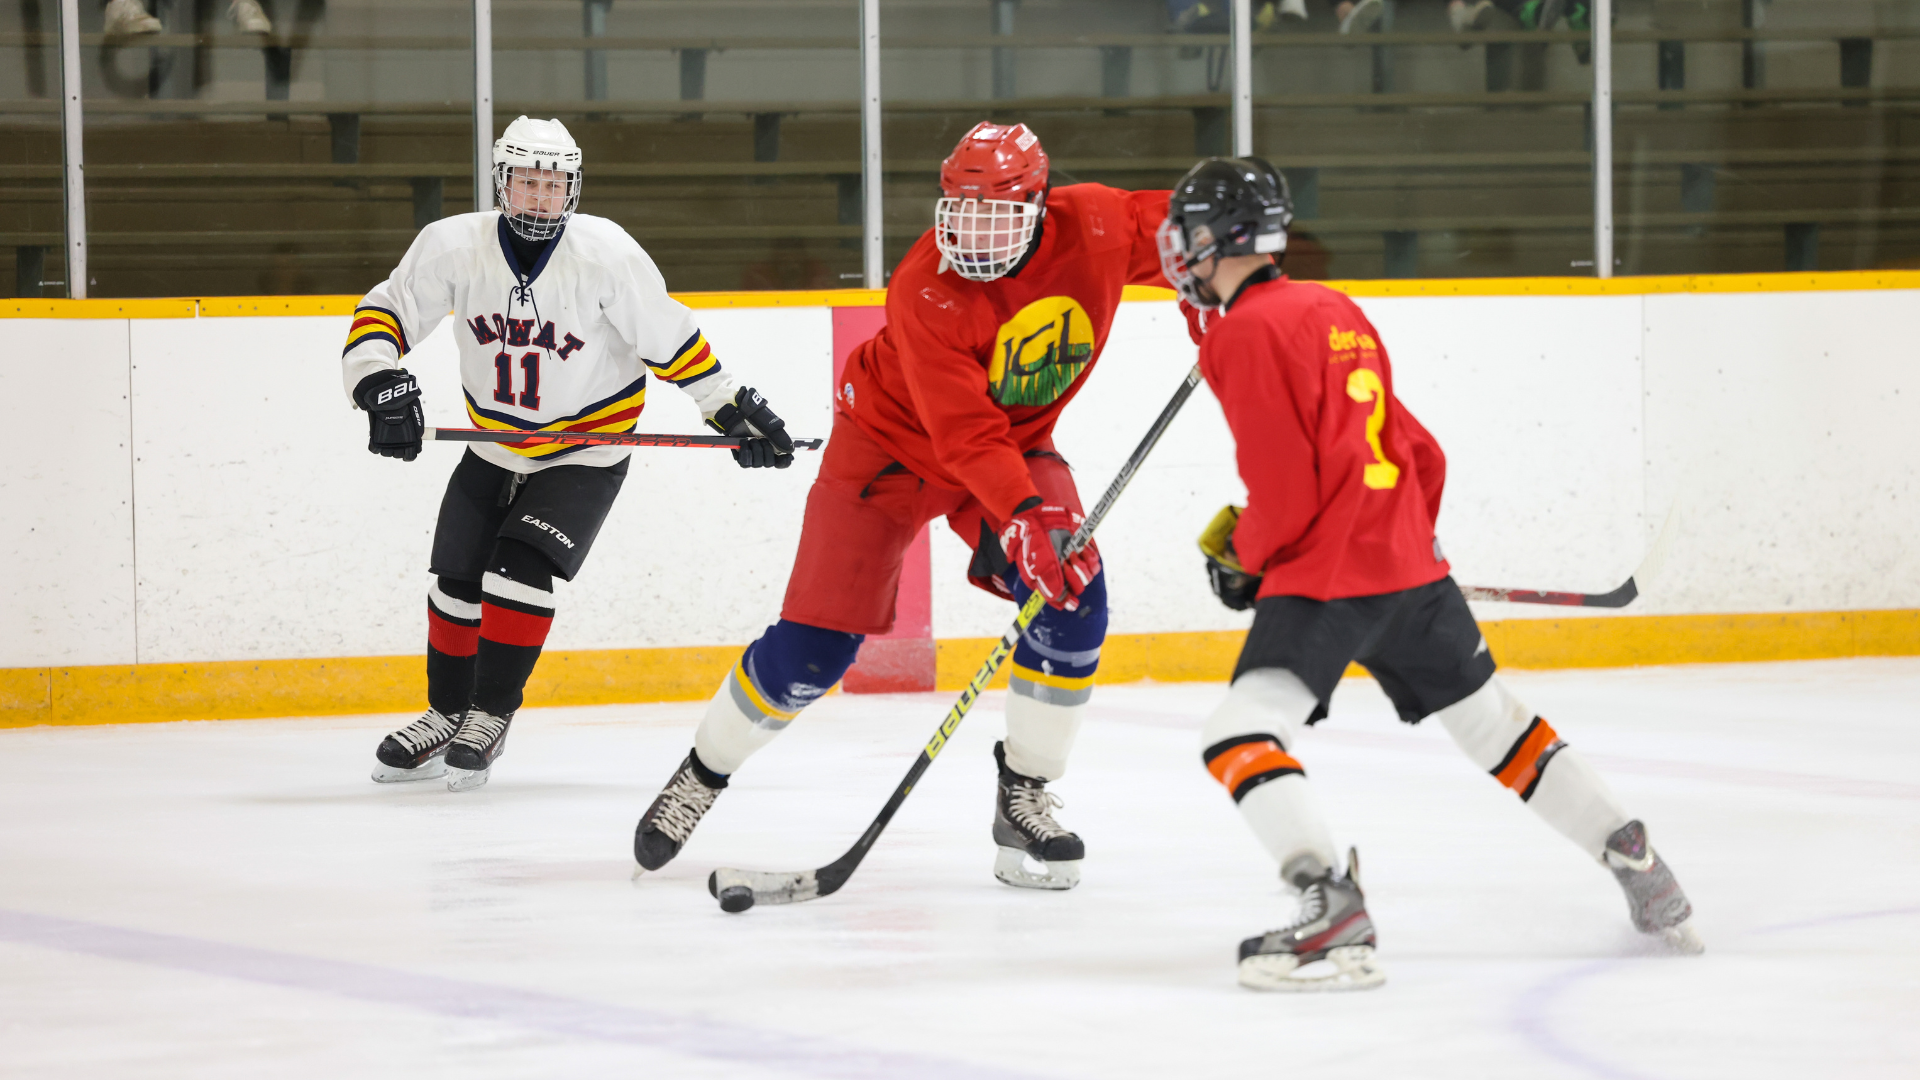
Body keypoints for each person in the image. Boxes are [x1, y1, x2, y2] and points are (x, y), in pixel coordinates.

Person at [1158, 156, 1700, 991]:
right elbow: (1420, 454)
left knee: (1238, 737)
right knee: (1499, 730)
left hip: (1329, 576)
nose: (1181, 250)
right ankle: (1630, 851)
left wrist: (1248, 561)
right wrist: (1406, 542)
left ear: (1216, 237)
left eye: (1189, 233)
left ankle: (1332, 910)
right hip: (1409, 567)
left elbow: (1287, 489)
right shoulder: (1336, 309)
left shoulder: (1242, 332)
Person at [630, 121, 1171, 890]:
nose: (974, 236)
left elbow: (1201, 241)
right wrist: (1022, 512)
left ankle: (1023, 794)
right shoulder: (925, 287)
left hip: (1015, 445)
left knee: (1072, 594)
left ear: (1041, 207)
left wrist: (1231, 295)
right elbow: (966, 437)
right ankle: (702, 773)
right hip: (887, 451)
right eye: (961, 210)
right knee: (811, 654)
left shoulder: (1098, 223)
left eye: (998, 215)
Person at [343, 115, 795, 792]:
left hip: (586, 451)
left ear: (573, 189)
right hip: (495, 446)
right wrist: (377, 382)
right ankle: (445, 711)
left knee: (518, 567)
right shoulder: (453, 246)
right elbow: (385, 312)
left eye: (554, 185)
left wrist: (732, 410)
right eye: (527, 183)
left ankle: (490, 716)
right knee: (457, 579)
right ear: (502, 182)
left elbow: (672, 342)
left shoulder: (606, 255)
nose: (540, 199)